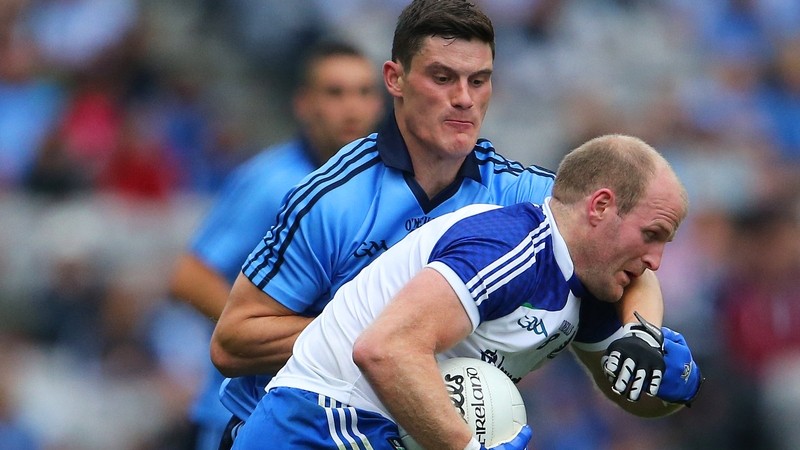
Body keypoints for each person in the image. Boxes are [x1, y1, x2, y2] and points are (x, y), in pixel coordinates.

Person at [211, 0, 688, 443]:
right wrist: (406, 327)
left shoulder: (520, 193)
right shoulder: (333, 198)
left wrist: (643, 333)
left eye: (478, 81)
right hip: (292, 425)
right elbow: (232, 343)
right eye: (443, 78)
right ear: (394, 80)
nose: (463, 98)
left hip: (404, 425)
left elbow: (620, 251)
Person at [229, 134, 703, 450]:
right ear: (600, 206)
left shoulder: (586, 277)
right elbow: (384, 349)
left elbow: (626, 387)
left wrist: (663, 369)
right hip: (321, 427)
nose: (656, 261)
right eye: (652, 235)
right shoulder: (511, 249)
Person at [168, 40, 384, 450]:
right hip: (241, 412)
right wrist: (261, 332)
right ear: (304, 104)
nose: (352, 108)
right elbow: (190, 277)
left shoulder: (385, 186)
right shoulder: (271, 181)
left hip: (323, 412)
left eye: (364, 92)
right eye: (334, 92)